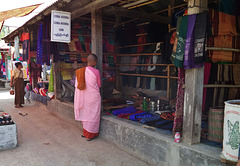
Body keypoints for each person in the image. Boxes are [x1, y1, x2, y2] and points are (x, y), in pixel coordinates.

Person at [74, 54, 101, 141]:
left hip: (84, 96)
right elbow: (99, 85)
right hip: (94, 96)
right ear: (94, 62)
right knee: (93, 115)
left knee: (86, 114)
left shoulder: (80, 71)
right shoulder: (96, 71)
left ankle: (86, 133)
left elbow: (77, 85)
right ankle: (90, 134)